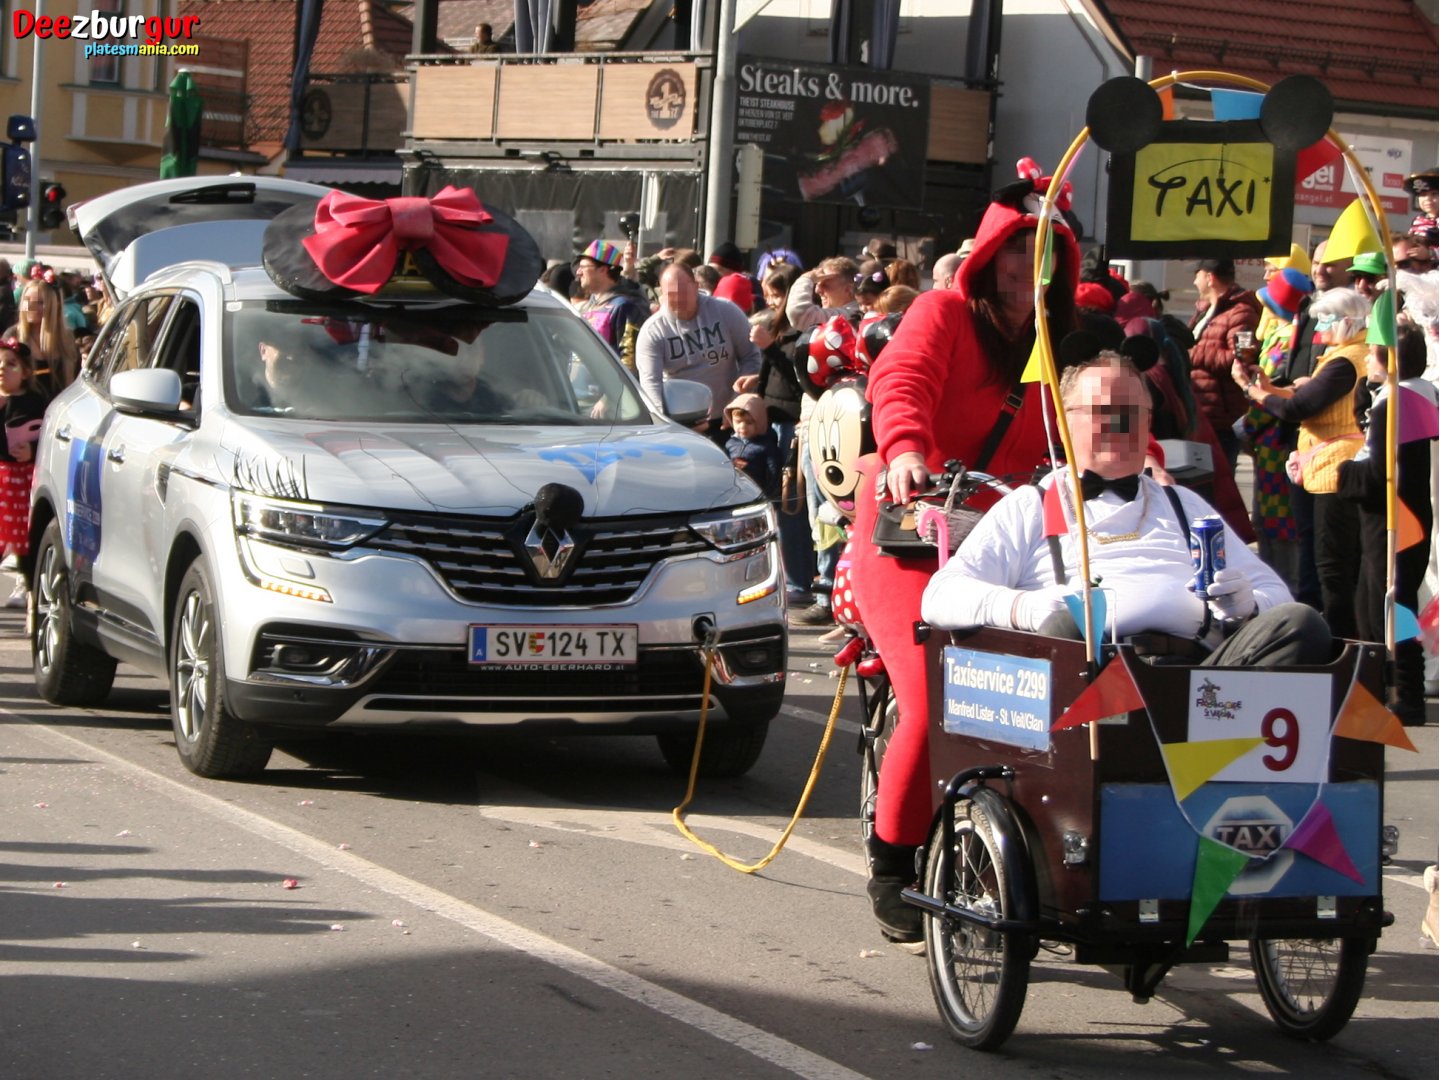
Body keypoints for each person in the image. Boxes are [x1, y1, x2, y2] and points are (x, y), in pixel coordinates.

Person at [852, 168, 1080, 942]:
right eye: (1015, 249)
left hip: (1008, 535)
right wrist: (907, 449)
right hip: (914, 525)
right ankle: (892, 863)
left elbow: (1099, 410)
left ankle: (1038, 849)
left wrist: (1144, 463)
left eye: (1045, 251)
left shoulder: (1058, 339)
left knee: (1074, 674)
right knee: (935, 692)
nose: (1027, 266)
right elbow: (902, 380)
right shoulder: (943, 311)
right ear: (986, 255)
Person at [921, 352, 1325, 667]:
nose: (1119, 426)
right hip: (1089, 677)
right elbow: (940, 596)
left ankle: (1217, 738)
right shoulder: (1030, 505)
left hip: (1200, 680)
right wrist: (1025, 608)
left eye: (1131, 414)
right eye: (1101, 412)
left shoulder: (1182, 504)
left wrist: (1248, 605)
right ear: (1064, 425)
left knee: (1300, 622)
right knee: (1066, 625)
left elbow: (1276, 594)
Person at [1234, 288, 1370, 639]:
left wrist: (1252, 391)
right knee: (1327, 559)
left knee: (1332, 565)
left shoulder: (1347, 359)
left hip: (1335, 469)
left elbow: (1299, 408)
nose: (1320, 329)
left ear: (1347, 321)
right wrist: (1269, 388)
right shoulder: (1346, 354)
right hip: (1325, 465)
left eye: (1325, 321)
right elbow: (1306, 398)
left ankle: (1341, 641)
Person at [1339, 326, 1436, 725]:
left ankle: (1404, 693)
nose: (1365, 359)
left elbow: (1379, 473)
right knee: (1377, 602)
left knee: (1391, 604)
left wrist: (1342, 473)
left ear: (1390, 359)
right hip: (1406, 514)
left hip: (1395, 520)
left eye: (1372, 353)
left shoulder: (1396, 402)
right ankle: (1381, 688)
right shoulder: (1416, 394)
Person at [735, 262, 812, 604]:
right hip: (772, 419)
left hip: (790, 424)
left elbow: (800, 380)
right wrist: (757, 381)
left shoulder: (803, 329)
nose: (770, 301)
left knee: (790, 504)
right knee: (775, 503)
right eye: (767, 294)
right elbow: (778, 373)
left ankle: (800, 581)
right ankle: (788, 575)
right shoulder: (776, 326)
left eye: (776, 295)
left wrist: (768, 349)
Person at [634, 263, 761, 445]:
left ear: (696, 286)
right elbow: (650, 384)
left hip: (730, 416)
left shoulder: (726, 311)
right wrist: (666, 426)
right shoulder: (653, 331)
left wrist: (736, 404)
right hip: (682, 422)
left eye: (684, 292)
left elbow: (751, 356)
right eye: (671, 295)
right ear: (662, 294)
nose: (679, 299)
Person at [1188, 257, 1261, 470]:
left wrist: (1193, 354)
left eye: (1197, 275)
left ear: (1210, 278)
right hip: (1201, 411)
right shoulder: (1206, 310)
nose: (1194, 282)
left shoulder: (1241, 312)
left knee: (1219, 480)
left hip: (1221, 417)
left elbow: (1243, 358)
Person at [0, 339, 47, 606]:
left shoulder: (34, 402)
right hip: (1, 477)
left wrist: (31, 449)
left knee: (23, 540)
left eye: (10, 364)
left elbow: (46, 435)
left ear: (26, 372)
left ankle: (30, 592)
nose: (2, 369)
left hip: (23, 479)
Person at [574, 239, 650, 371]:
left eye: (583, 267)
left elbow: (628, 361)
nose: (578, 272)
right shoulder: (588, 306)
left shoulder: (624, 307)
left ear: (603, 270)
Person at [17, 276, 79, 396]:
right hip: (25, 406)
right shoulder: (13, 336)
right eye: (27, 300)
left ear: (54, 306)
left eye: (40, 302)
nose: (30, 307)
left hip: (60, 404)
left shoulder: (68, 339)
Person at [723, 393, 783, 495]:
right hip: (733, 491)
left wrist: (769, 494)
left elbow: (774, 473)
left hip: (756, 492)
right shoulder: (730, 443)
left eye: (749, 422)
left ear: (759, 422)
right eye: (738, 422)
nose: (743, 426)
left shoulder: (766, 446)